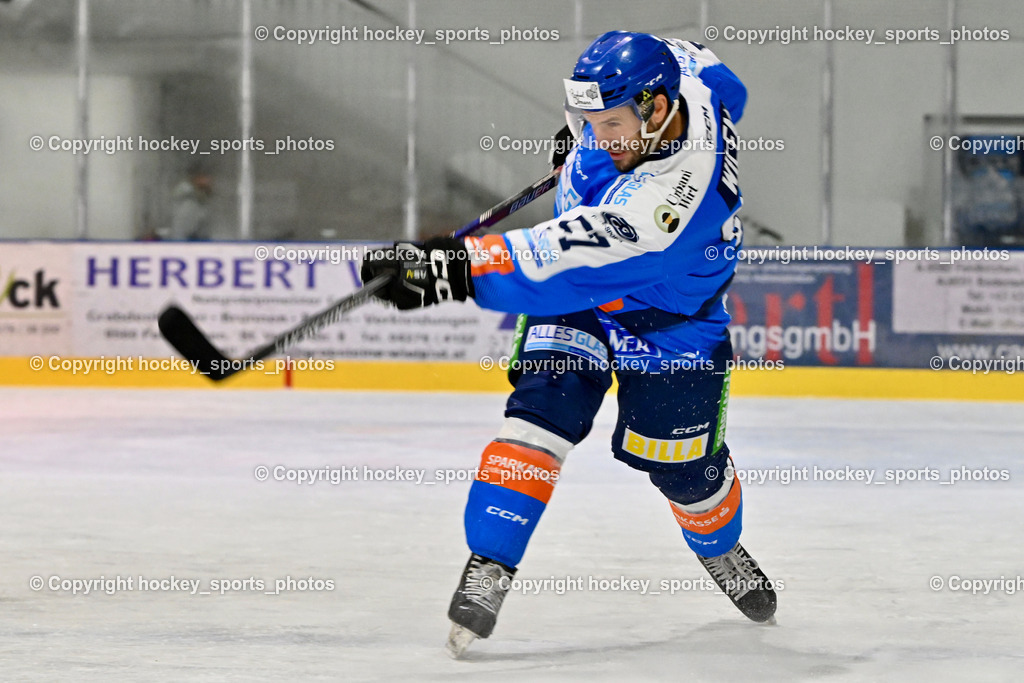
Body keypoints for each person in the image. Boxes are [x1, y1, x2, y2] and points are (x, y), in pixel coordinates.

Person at [361, 31, 777, 658]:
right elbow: (721, 78)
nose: (597, 138)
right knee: (540, 414)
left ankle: (720, 547)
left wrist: (457, 269)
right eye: (587, 121)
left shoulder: (675, 202)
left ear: (658, 110)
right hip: (578, 298)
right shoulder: (685, 75)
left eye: (610, 125)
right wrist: (591, 132)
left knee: (682, 468)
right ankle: (491, 561)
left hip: (668, 321)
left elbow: (565, 257)